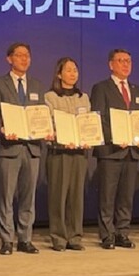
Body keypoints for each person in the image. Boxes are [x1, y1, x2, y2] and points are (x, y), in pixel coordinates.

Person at [0, 42, 46, 255]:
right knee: (6, 196)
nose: (24, 59)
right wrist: (2, 128)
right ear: (9, 59)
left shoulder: (37, 85)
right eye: (19, 55)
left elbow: (41, 114)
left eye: (27, 55)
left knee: (28, 197)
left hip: (32, 148)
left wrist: (46, 129)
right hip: (9, 147)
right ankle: (7, 240)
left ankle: (25, 238)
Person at [90, 48, 139, 249]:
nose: (125, 64)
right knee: (107, 196)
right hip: (111, 152)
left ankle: (122, 232)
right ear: (111, 64)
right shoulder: (101, 88)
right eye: (121, 60)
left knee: (126, 196)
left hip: (132, 151)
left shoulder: (137, 90)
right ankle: (107, 234)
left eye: (128, 61)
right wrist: (115, 137)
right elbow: (98, 117)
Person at [44, 57, 91, 252]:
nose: (73, 73)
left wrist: (88, 137)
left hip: (79, 153)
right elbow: (48, 123)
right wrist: (61, 137)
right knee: (59, 195)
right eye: (69, 70)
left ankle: (75, 236)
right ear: (59, 73)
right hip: (59, 152)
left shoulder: (83, 97)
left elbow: (87, 123)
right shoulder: (50, 97)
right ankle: (59, 237)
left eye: (75, 70)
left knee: (76, 196)